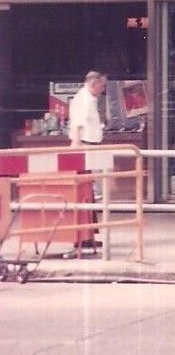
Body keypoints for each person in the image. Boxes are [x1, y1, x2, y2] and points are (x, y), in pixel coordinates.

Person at [67, 71, 107, 248]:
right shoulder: (83, 99)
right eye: (102, 85)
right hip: (85, 146)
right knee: (86, 192)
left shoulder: (90, 98)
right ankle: (83, 236)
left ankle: (88, 235)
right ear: (93, 83)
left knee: (90, 193)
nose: (103, 89)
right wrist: (75, 151)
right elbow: (77, 125)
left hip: (91, 146)